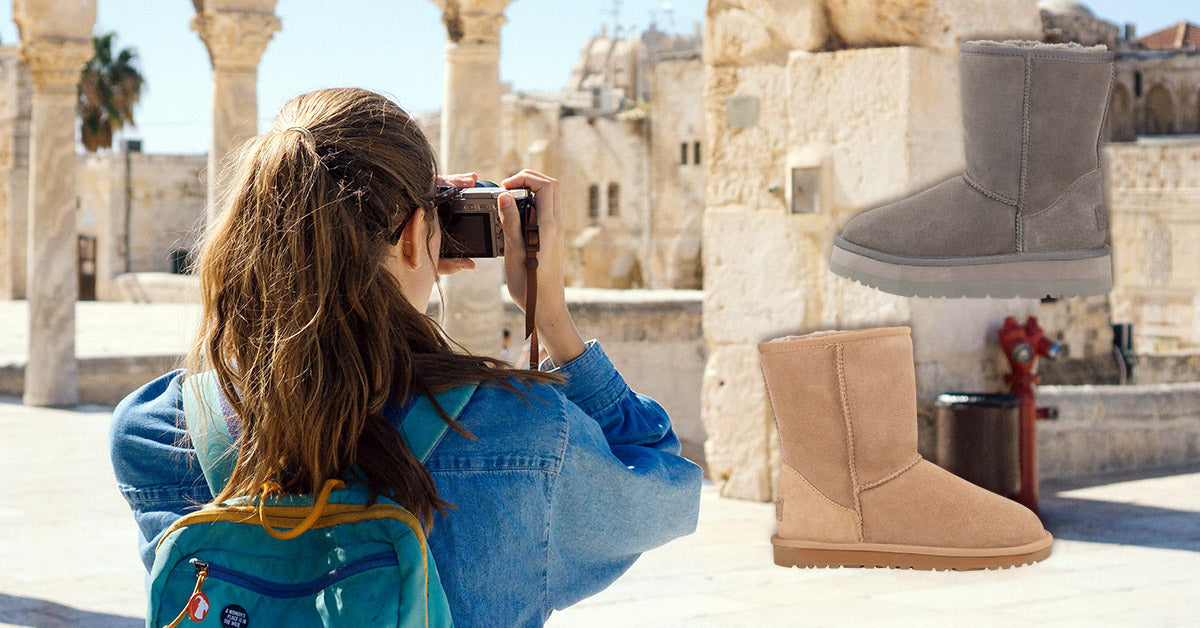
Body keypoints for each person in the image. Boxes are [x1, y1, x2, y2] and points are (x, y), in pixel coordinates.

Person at [109, 87, 702, 627]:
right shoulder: (523, 433)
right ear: (419, 233)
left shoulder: (156, 432)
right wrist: (552, 320)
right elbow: (664, 485)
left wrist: (406, 238)